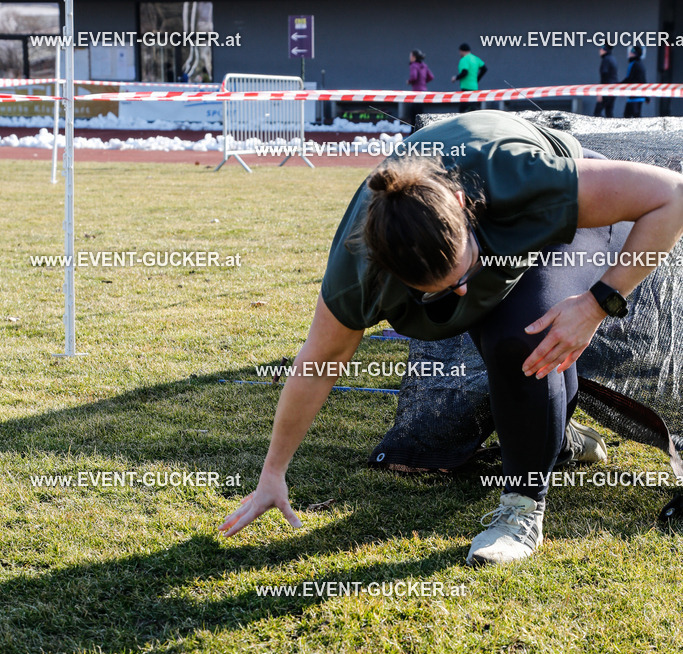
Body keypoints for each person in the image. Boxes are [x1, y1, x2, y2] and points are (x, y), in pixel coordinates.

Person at [219, 110, 683, 566]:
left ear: (462, 204)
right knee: (507, 332)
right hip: (478, 227)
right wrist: (272, 473)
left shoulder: (522, 178)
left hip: (554, 220)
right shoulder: (359, 268)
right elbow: (318, 365)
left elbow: (673, 196)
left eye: (465, 271)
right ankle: (555, 437)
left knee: (520, 338)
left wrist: (598, 304)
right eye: (438, 289)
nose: (463, 292)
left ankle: (521, 510)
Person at [451, 43, 487, 112]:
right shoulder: (476, 58)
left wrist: (455, 78)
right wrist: (477, 79)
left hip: (466, 87)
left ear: (462, 51)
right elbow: (484, 69)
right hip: (474, 87)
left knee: (462, 110)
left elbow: (465, 72)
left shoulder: (464, 59)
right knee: (473, 110)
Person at [406, 49, 434, 129]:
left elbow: (414, 77)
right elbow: (431, 77)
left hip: (416, 92)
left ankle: (413, 131)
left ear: (414, 57)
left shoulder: (413, 65)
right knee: (420, 112)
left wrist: (409, 81)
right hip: (423, 91)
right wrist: (423, 82)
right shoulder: (424, 65)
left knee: (413, 113)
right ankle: (421, 129)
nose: (409, 57)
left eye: (410, 56)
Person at [593, 43, 618, 118]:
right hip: (613, 89)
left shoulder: (606, 60)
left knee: (597, 113)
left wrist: (600, 92)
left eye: (601, 48)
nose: (599, 50)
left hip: (606, 90)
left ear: (605, 49)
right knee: (609, 113)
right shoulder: (612, 59)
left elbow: (605, 76)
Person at [623, 45, 646, 118]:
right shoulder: (640, 64)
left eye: (631, 52)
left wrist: (618, 85)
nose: (629, 53)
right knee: (630, 115)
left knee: (633, 116)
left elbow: (629, 78)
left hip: (635, 96)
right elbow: (643, 80)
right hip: (635, 95)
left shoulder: (634, 64)